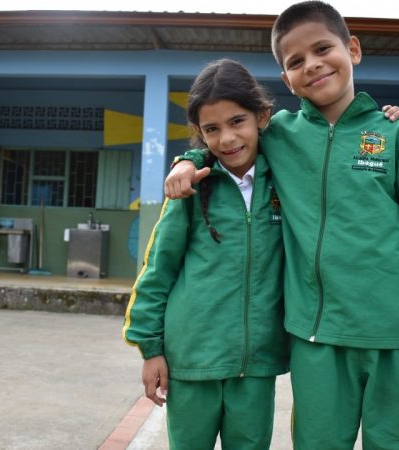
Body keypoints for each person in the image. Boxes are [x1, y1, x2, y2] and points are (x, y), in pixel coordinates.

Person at [164, 2, 399, 449]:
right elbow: (225, 140)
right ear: (286, 79)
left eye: (323, 48)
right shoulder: (279, 136)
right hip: (315, 341)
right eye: (295, 62)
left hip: (398, 341)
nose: (312, 65)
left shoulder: (398, 136)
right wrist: (186, 161)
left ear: (353, 49)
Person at [122, 58, 289, 450]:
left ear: (262, 116)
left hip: (257, 363)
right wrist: (151, 350)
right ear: (199, 131)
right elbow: (157, 270)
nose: (227, 138)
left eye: (237, 122)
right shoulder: (189, 189)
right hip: (192, 361)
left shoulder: (285, 178)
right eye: (212, 129)